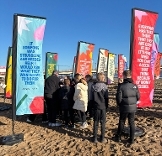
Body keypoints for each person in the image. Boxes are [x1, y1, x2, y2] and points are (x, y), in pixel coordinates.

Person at [115, 70, 140, 144]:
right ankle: (131, 139)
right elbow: (138, 97)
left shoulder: (121, 86)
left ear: (124, 76)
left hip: (124, 107)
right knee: (131, 122)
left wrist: (120, 104)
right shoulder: (134, 86)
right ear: (130, 75)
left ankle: (118, 137)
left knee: (122, 121)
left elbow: (118, 98)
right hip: (132, 107)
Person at [91, 73, 108, 143]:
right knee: (103, 123)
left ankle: (95, 138)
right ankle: (102, 138)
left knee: (96, 122)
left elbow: (91, 98)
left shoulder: (93, 86)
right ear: (102, 78)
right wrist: (106, 106)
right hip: (103, 106)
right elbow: (106, 98)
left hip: (96, 106)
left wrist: (92, 106)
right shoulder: (105, 86)